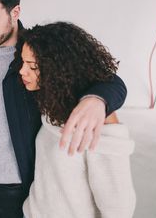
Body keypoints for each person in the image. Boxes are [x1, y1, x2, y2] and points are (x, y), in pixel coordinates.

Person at [0, 0, 128, 218]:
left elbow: (110, 81)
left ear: (15, 12)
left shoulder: (37, 52)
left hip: (17, 186)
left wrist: (96, 100)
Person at [19, 22, 136, 218]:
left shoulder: (97, 122)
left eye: (33, 66)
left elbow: (118, 207)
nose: (22, 71)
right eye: (22, 62)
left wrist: (98, 100)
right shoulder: (52, 104)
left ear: (59, 69)